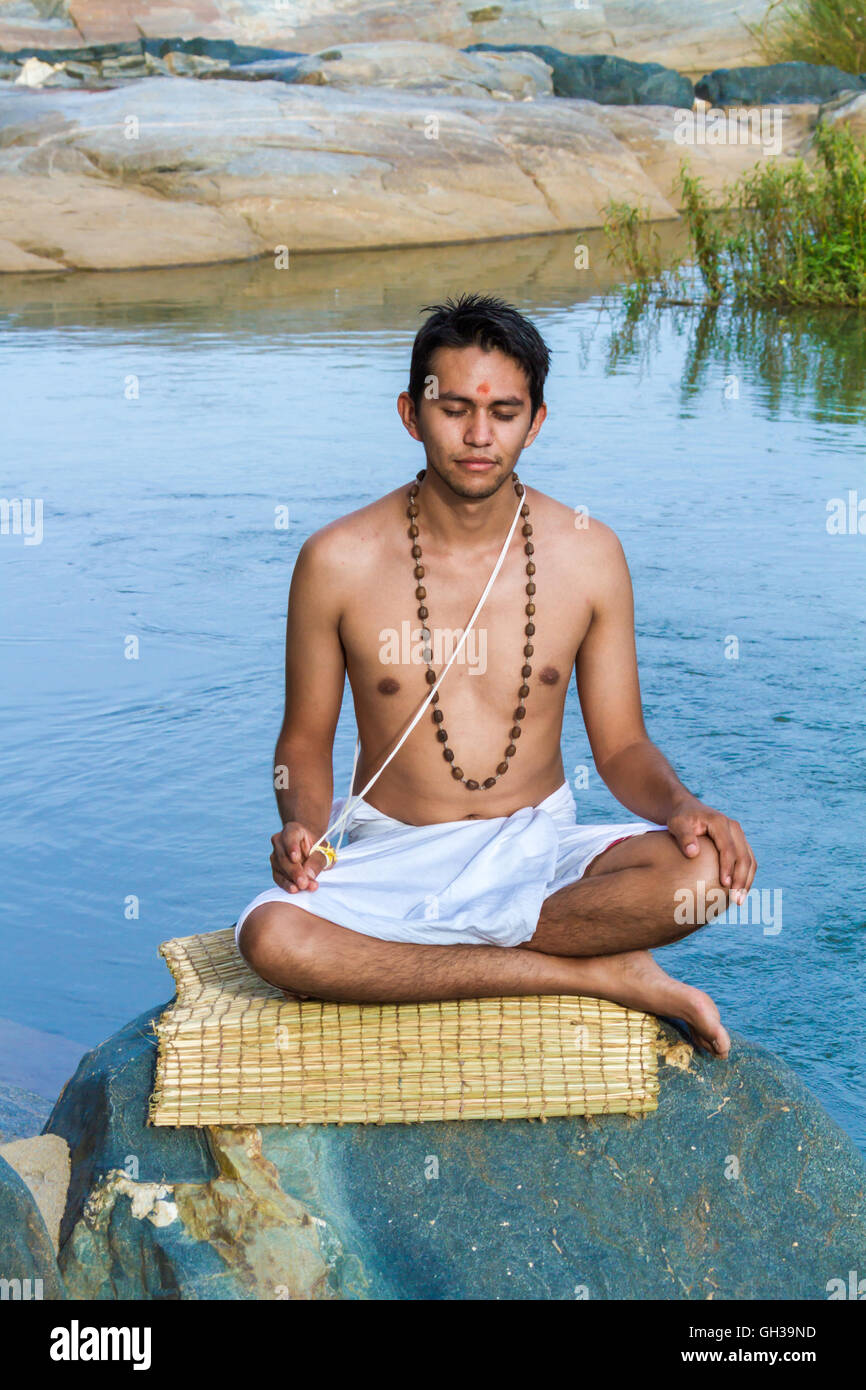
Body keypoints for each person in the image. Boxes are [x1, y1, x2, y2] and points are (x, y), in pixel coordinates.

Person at [234, 293, 757, 1057]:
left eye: (505, 412)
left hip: (535, 851)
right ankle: (599, 975)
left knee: (702, 875)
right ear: (412, 413)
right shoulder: (336, 560)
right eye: (454, 410)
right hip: (393, 850)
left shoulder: (589, 554)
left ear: (536, 421)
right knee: (274, 939)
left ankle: (459, 953)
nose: (479, 436)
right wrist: (303, 825)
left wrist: (683, 805)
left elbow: (619, 747)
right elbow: (304, 740)